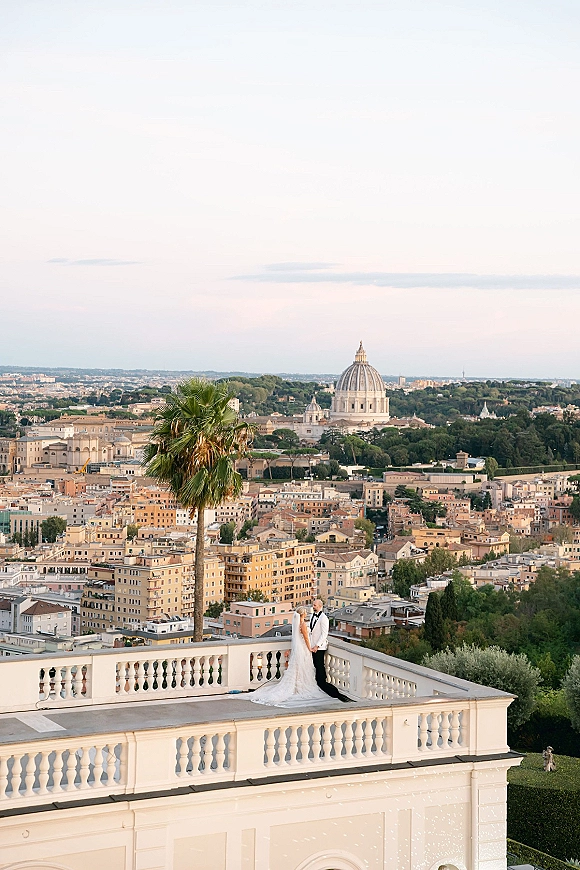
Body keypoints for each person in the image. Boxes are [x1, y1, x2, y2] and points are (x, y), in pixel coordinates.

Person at [250, 607, 330, 707]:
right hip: (304, 648)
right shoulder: (303, 625)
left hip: (299, 648)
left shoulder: (297, 625)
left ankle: (296, 685)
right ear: (303, 614)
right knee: (303, 667)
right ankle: (299, 686)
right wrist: (310, 648)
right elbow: (305, 638)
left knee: (298, 667)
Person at [310, 599, 350, 702]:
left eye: (314, 605)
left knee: (319, 667)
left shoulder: (324, 618)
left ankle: (324, 686)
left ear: (320, 606)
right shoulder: (312, 616)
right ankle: (319, 684)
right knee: (314, 666)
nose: (313, 606)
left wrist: (317, 646)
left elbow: (324, 634)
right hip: (312, 646)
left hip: (319, 648)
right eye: (313, 605)